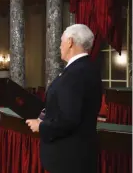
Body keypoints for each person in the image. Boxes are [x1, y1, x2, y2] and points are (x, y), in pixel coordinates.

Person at [26, 24, 102, 173]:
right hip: (80, 153)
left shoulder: (75, 74)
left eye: (61, 41)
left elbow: (69, 119)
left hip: (68, 157)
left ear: (70, 42)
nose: (60, 46)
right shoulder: (89, 67)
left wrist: (41, 126)